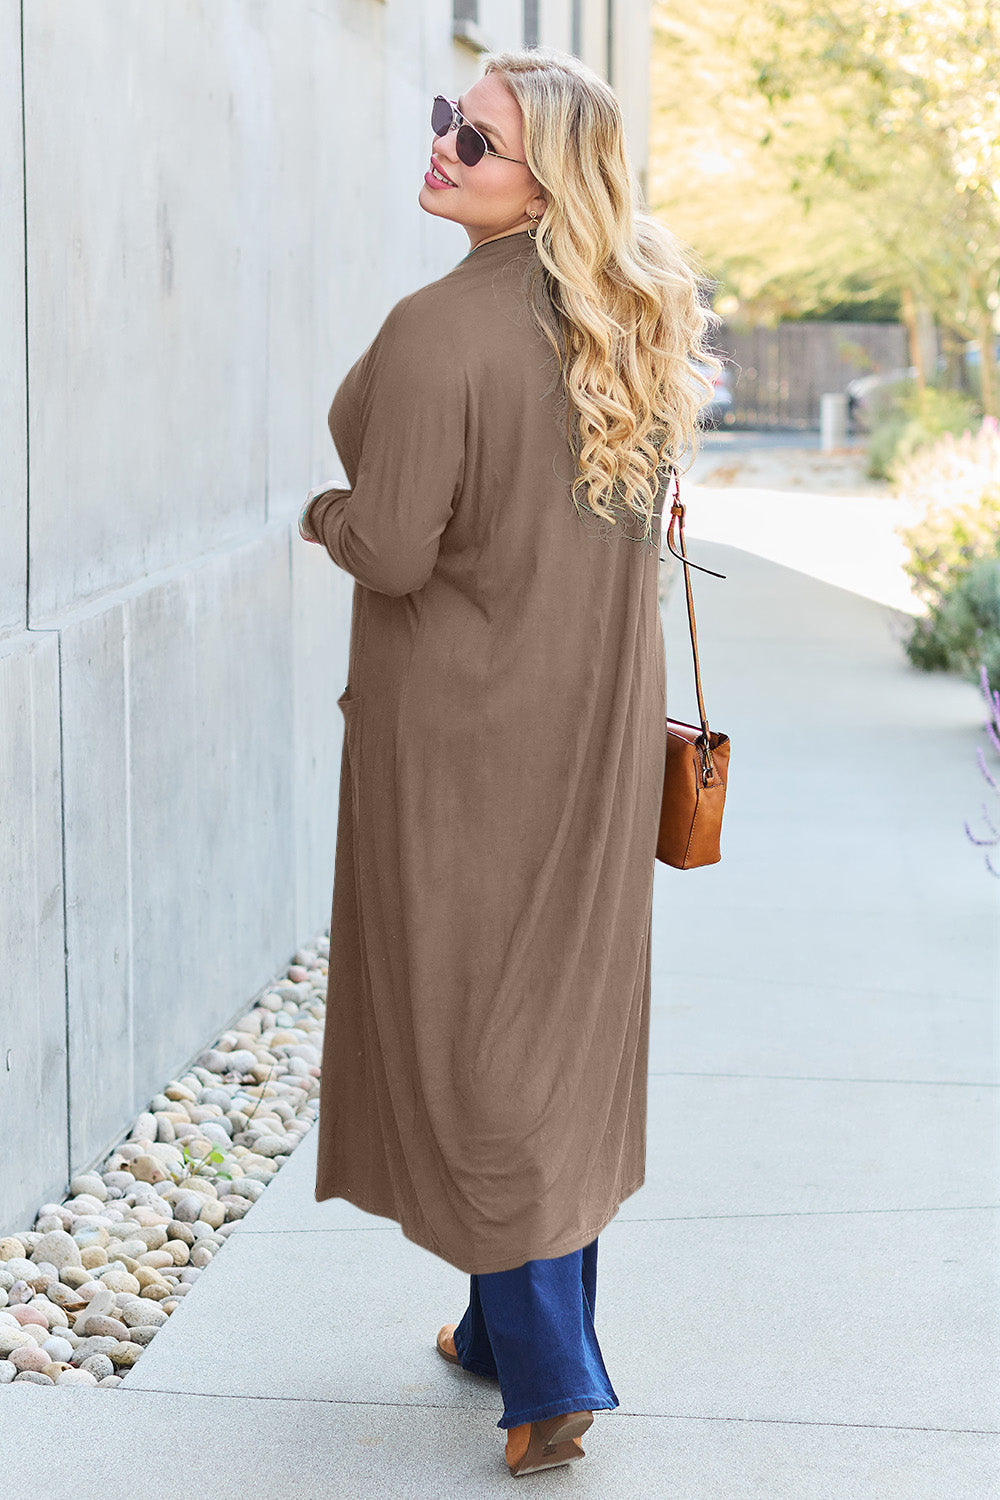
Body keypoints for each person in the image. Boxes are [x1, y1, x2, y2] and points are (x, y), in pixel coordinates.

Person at [299, 45, 717, 1478]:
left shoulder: (439, 330)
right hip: (592, 729)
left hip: (467, 740)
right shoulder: (633, 320)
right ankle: (497, 1330)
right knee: (552, 1025)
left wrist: (322, 516)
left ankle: (547, 1375)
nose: (442, 149)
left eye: (474, 141)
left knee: (476, 1037)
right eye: (445, 123)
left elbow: (397, 545)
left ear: (549, 180)